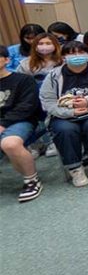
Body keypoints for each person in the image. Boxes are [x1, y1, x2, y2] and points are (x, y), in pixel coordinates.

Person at [41, 40, 88, 187]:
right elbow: (48, 102)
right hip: (65, 114)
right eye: (72, 53)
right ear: (63, 57)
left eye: (81, 52)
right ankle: (75, 168)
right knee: (65, 129)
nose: (77, 56)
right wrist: (70, 112)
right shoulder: (53, 76)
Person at [0, 44, 45, 202]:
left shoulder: (23, 80)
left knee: (10, 144)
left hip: (22, 120)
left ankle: (31, 180)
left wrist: (3, 124)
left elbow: (27, 107)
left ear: (6, 60)